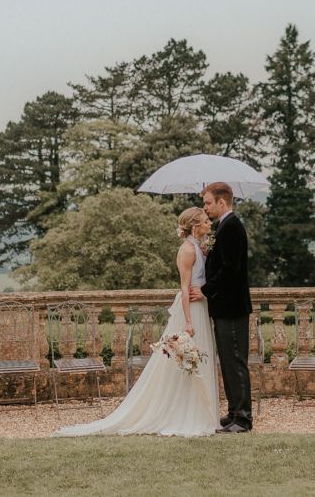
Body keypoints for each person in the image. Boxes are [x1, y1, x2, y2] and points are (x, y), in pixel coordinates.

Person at [52, 207, 219, 438]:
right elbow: (184, 287)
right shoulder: (187, 250)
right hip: (191, 310)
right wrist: (188, 322)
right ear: (194, 225)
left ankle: (202, 411)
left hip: (201, 306)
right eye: (206, 221)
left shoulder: (199, 248)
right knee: (185, 361)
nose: (210, 223)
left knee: (199, 359)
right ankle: (184, 413)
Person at [190, 181, 252, 433]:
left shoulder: (232, 227)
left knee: (235, 361)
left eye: (207, 203)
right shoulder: (224, 227)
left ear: (221, 202)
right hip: (224, 307)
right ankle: (233, 412)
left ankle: (243, 419)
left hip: (232, 308)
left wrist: (204, 290)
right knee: (227, 361)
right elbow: (222, 263)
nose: (205, 208)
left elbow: (230, 270)